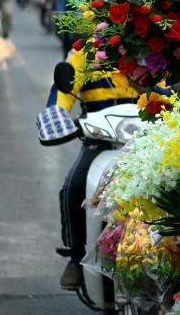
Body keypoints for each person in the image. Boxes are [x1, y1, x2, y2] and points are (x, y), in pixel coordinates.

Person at [45, 49, 141, 290]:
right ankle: (75, 256)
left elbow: (170, 86)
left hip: (145, 137)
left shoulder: (149, 47)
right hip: (99, 138)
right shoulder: (84, 52)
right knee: (73, 188)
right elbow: (63, 93)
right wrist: (55, 115)